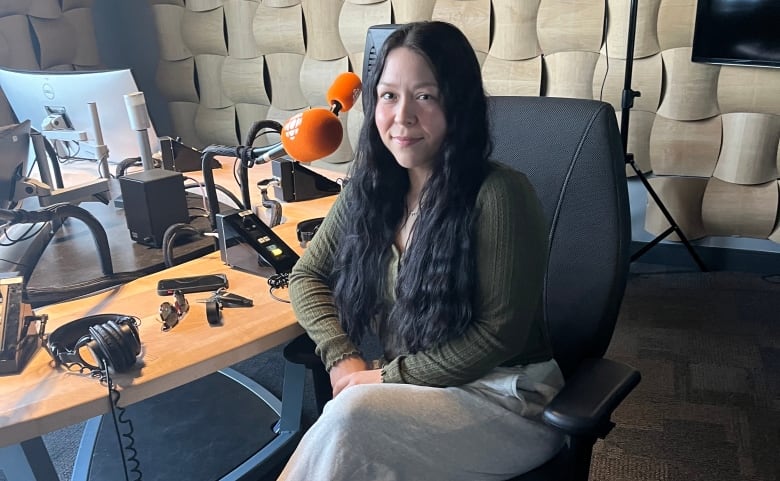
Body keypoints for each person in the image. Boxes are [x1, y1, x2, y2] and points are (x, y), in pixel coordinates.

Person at [279, 21, 565, 481]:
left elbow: (497, 337)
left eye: (425, 96)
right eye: (389, 96)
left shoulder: (499, 193)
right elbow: (306, 277)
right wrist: (343, 357)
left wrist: (381, 379)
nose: (403, 116)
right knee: (351, 428)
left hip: (504, 398)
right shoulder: (369, 190)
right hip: (417, 388)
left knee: (351, 419)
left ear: (459, 104)